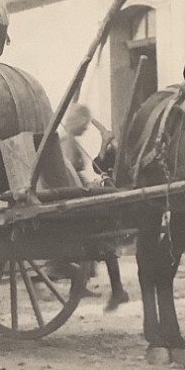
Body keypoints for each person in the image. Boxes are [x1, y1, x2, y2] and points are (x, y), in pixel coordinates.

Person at [59, 102, 130, 310]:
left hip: (77, 191)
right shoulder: (68, 144)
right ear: (77, 123)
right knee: (104, 235)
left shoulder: (68, 142)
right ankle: (115, 289)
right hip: (75, 196)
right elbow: (71, 174)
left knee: (102, 234)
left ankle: (87, 286)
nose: (86, 128)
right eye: (84, 124)